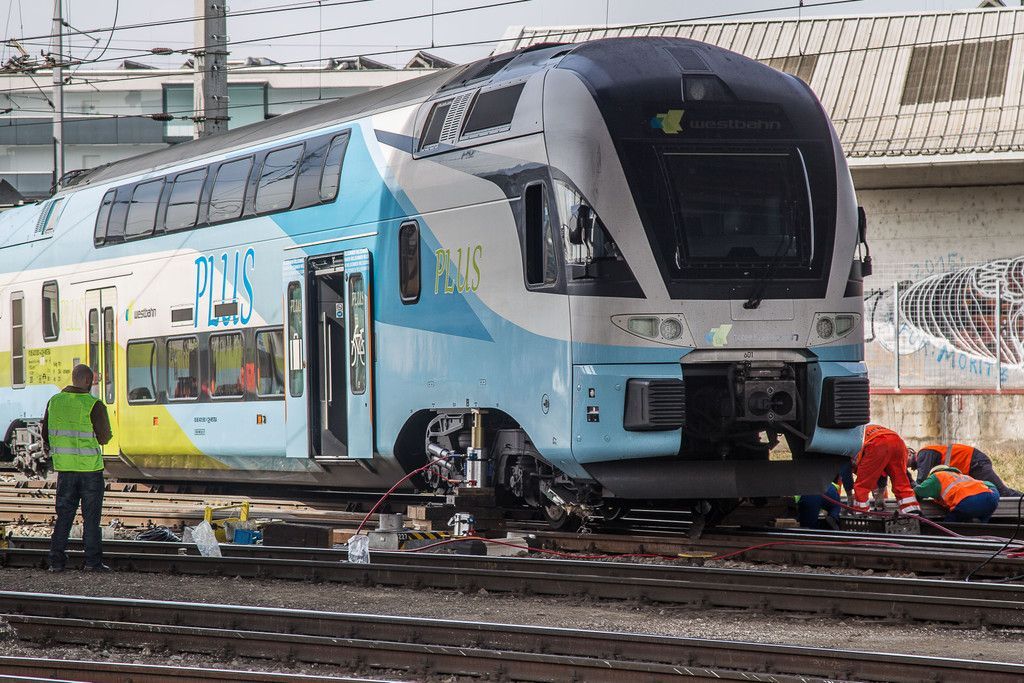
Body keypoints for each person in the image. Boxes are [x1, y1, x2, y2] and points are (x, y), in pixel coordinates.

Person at [42, 364, 112, 572]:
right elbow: (105, 437)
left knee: (64, 516)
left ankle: (56, 562)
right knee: (91, 519)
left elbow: (46, 434)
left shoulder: (54, 401)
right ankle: (92, 562)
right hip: (90, 472)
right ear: (89, 381)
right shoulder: (94, 405)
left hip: (65, 471)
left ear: (73, 379)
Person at [852, 424, 921, 515]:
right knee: (902, 484)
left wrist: (849, 494)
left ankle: (861, 515)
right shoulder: (865, 431)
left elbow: (872, 471)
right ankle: (913, 513)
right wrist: (880, 495)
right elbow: (884, 472)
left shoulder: (851, 440)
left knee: (862, 486)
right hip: (898, 442)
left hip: (877, 443)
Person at [910, 443, 1020, 497]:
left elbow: (921, 482)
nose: (907, 467)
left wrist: (911, 489)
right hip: (972, 464)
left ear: (910, 453)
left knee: (1003, 492)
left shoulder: (923, 454)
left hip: (974, 463)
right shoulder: (927, 456)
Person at [914, 465, 1000, 523]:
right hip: (991, 500)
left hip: (967, 503)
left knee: (947, 529)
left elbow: (919, 492)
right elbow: (989, 484)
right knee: (978, 531)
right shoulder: (962, 476)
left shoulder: (937, 476)